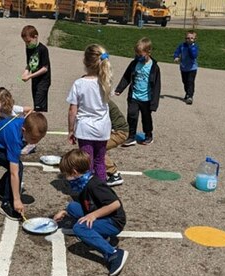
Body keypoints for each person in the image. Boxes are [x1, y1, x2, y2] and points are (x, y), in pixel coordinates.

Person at [53, 149, 128, 276]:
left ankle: (114, 253)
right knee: (71, 207)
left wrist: (93, 215)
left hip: (113, 222)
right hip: (103, 215)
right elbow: (86, 205)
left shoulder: (94, 185)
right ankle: (101, 235)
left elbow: (115, 204)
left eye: (66, 174)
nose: (65, 178)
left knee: (79, 228)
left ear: (75, 172)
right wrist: (65, 212)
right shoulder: (83, 183)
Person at [0, 112, 47, 220]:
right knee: (17, 168)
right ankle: (7, 204)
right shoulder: (15, 138)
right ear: (24, 130)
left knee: (16, 167)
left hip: (2, 141)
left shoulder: (25, 125)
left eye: (40, 139)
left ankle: (0, 188)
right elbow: (14, 173)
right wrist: (17, 199)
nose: (36, 142)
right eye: (33, 139)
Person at [67, 44, 112, 183]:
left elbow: (72, 110)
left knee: (87, 163)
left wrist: (70, 129)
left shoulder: (79, 83)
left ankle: (88, 193)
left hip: (85, 129)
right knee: (100, 161)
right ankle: (102, 189)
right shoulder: (106, 81)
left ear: (85, 62)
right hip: (102, 128)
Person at [115, 37, 161, 147]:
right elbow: (126, 77)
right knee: (131, 116)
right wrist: (119, 89)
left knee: (146, 118)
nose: (138, 57)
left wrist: (154, 103)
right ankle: (131, 137)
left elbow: (157, 86)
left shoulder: (154, 67)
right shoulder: (134, 64)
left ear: (148, 52)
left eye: (140, 55)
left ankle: (148, 135)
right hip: (134, 97)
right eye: (136, 55)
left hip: (146, 99)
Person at [0, 87, 35, 155]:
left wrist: (25, 119)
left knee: (24, 134)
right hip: (12, 126)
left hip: (20, 126)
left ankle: (30, 144)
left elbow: (30, 109)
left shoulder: (14, 109)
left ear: (4, 102)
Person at [20, 25, 51, 113]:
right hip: (35, 80)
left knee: (38, 106)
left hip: (43, 81)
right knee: (36, 104)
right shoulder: (29, 48)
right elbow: (29, 64)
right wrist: (25, 72)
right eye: (25, 42)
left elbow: (45, 68)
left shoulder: (43, 49)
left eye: (29, 41)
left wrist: (30, 76)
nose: (27, 44)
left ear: (35, 37)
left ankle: (37, 124)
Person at [105, 100, 129, 187]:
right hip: (115, 130)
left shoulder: (104, 102)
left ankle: (114, 174)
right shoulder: (101, 100)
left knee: (97, 149)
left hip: (120, 133)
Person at [173, 30, 199, 105]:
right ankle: (187, 93)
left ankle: (190, 96)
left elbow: (193, 55)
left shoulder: (194, 47)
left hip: (192, 68)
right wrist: (176, 56)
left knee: (190, 82)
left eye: (191, 38)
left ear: (194, 39)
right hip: (183, 67)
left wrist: (190, 47)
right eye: (187, 38)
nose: (189, 39)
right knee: (185, 81)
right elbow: (177, 51)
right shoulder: (182, 45)